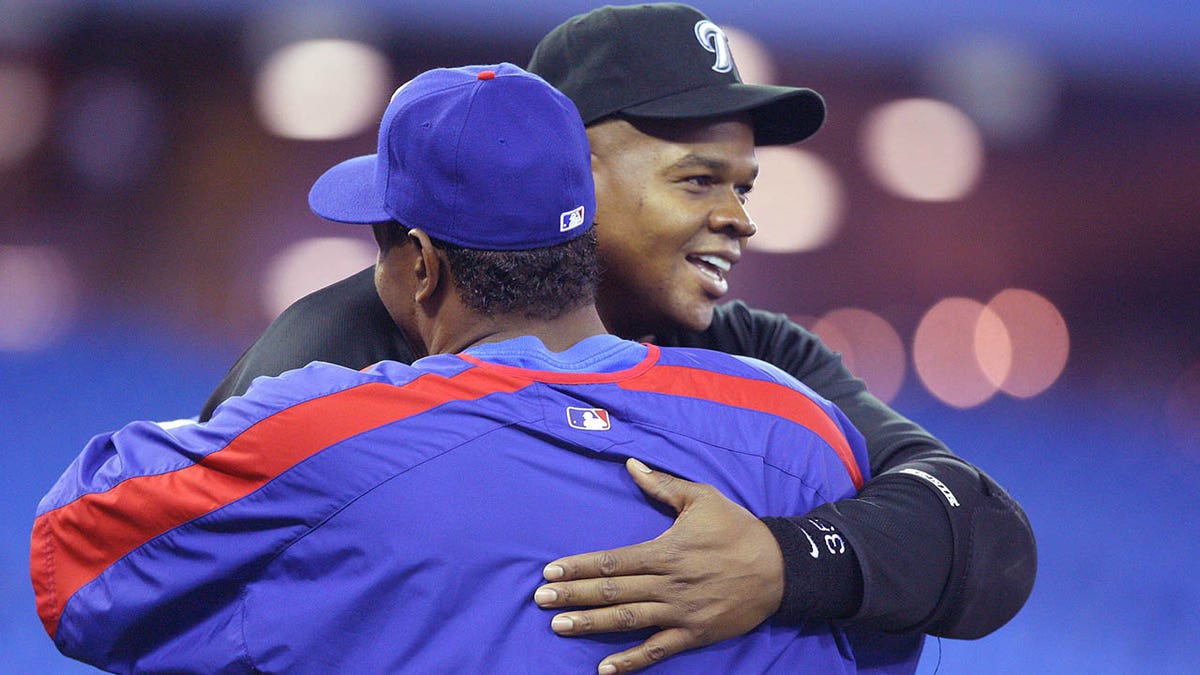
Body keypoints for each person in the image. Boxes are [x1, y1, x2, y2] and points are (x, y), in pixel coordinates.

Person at [200, 3, 1036, 673]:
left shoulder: (756, 355)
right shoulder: (344, 345)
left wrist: (780, 564)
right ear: (569, 173)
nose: (740, 220)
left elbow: (988, 539)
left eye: (745, 186)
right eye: (698, 180)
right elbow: (201, 602)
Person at [32, 62, 876, 673]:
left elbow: (72, 559)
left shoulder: (320, 431)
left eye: (383, 246)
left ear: (424, 266)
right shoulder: (799, 428)